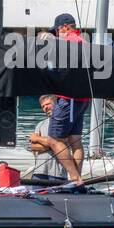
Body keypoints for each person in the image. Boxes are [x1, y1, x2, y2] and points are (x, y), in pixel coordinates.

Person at [35, 13, 88, 185]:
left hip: (68, 97)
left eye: (57, 31)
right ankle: (77, 179)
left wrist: (47, 40)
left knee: (54, 139)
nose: (57, 35)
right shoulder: (83, 41)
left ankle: (75, 178)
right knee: (75, 141)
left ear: (65, 27)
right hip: (82, 98)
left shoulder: (70, 40)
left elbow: (57, 60)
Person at [27, 95, 67, 180]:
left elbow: (65, 143)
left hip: (57, 173)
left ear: (56, 104)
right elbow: (33, 147)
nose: (45, 107)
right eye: (43, 106)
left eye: (48, 104)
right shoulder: (40, 124)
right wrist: (54, 145)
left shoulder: (64, 121)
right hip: (39, 172)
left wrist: (37, 139)